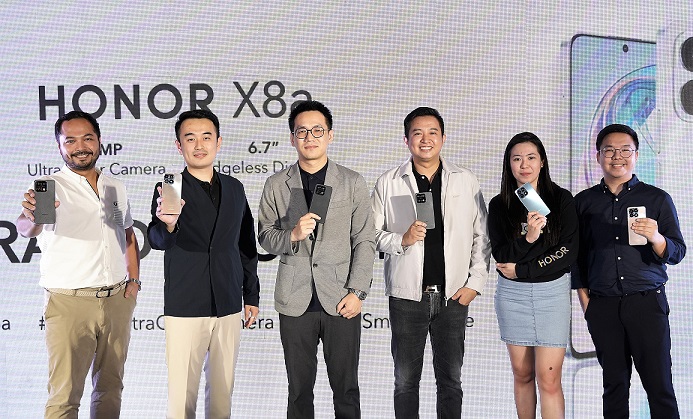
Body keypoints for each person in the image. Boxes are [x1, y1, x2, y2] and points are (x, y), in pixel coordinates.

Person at [17, 110, 140, 419]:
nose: (80, 147)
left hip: (117, 299)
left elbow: (127, 234)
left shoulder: (115, 187)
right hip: (69, 303)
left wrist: (134, 282)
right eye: (70, 140)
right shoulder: (48, 186)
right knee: (64, 396)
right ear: (59, 146)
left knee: (111, 389)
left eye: (87, 138)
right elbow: (28, 227)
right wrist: (30, 217)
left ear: (99, 141)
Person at [257, 100, 375, 419]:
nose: (310, 137)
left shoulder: (351, 182)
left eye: (317, 130)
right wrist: (293, 235)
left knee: (346, 389)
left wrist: (357, 292)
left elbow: (364, 239)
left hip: (341, 298)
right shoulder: (277, 184)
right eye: (302, 131)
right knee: (298, 391)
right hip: (294, 299)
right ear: (292, 138)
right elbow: (265, 236)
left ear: (330, 135)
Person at [371, 106, 491, 418]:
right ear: (406, 140)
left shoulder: (465, 180)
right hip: (407, 297)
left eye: (432, 132)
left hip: (453, 295)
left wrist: (475, 284)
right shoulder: (389, 182)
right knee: (405, 382)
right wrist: (402, 239)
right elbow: (370, 235)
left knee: (451, 382)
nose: (425, 139)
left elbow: (482, 235)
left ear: (443, 138)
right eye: (417, 133)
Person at [147, 109, 260, 419]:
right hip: (186, 304)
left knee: (222, 398)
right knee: (181, 400)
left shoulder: (235, 188)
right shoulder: (169, 187)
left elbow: (246, 244)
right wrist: (169, 224)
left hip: (228, 302)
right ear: (178, 145)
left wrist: (251, 295)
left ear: (218, 142)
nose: (199, 145)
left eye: (206, 137)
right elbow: (157, 239)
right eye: (190, 138)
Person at [572, 123, 685, 418]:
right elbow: (577, 259)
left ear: (636, 155)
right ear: (598, 156)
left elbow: (677, 252)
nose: (617, 156)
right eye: (609, 150)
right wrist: (587, 305)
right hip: (603, 306)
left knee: (659, 386)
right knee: (614, 386)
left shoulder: (657, 199)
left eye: (625, 150)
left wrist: (656, 237)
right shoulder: (583, 202)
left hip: (647, 303)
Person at [487, 132, 578, 419]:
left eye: (530, 158)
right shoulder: (499, 205)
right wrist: (529, 239)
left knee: (548, 378)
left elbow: (567, 252)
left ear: (542, 162)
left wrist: (523, 269)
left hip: (552, 295)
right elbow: (502, 255)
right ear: (509, 164)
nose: (524, 165)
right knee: (522, 374)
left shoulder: (562, 199)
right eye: (517, 159)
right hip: (513, 296)